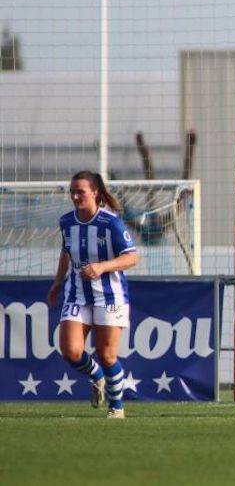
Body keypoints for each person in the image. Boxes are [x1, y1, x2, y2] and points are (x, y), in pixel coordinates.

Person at [47, 171, 140, 419]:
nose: (75, 196)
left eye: (81, 191)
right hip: (77, 294)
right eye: (72, 191)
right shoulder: (67, 221)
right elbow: (66, 253)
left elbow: (132, 257)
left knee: (107, 354)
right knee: (71, 351)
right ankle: (97, 376)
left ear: (95, 192)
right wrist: (57, 282)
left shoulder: (111, 223)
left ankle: (116, 407)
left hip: (110, 296)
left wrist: (101, 267)